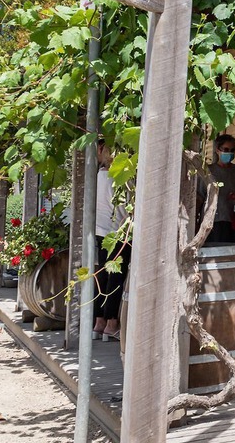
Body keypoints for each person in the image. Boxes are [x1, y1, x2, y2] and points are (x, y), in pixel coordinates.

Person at [92, 141, 129, 342]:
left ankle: (99, 322)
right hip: (120, 233)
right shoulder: (121, 177)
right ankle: (112, 322)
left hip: (101, 232)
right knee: (116, 278)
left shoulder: (97, 176)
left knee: (103, 275)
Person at [197, 134, 235, 245]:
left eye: (232, 150)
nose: (229, 153)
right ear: (217, 150)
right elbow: (199, 198)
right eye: (226, 149)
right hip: (212, 222)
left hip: (234, 222)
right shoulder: (208, 171)